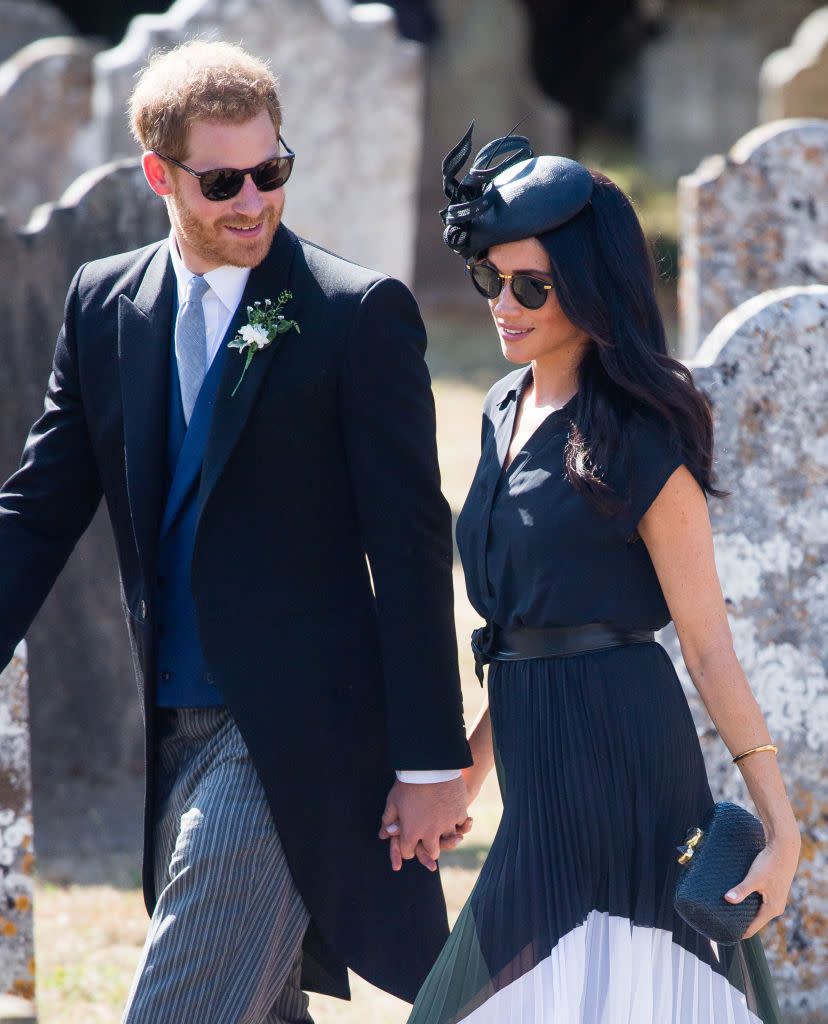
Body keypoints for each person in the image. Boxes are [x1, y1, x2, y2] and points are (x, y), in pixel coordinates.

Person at [0, 41, 474, 1024]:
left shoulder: (358, 316)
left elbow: (414, 545)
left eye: (273, 170)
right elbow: (40, 508)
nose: (254, 199)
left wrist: (433, 763)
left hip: (294, 740)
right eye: (223, 181)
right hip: (168, 736)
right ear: (158, 175)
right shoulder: (103, 306)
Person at [398, 126, 801, 1022]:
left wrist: (782, 827)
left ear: (590, 287)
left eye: (530, 286)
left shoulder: (642, 432)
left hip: (625, 758)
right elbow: (535, 624)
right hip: (539, 761)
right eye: (490, 278)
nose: (503, 302)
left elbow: (705, 644)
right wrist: (469, 769)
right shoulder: (504, 402)